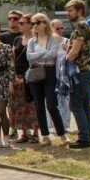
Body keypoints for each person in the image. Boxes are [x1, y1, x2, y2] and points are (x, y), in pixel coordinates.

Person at [26, 13, 69, 146]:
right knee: (39, 107)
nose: (34, 26)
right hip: (35, 72)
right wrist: (43, 54)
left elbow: (53, 53)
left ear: (45, 23)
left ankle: (62, 135)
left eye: (37, 23)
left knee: (51, 105)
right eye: (32, 24)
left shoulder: (53, 37)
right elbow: (29, 57)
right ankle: (45, 136)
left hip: (50, 72)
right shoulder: (31, 40)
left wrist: (37, 56)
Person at [65, 0, 90, 149]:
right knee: (83, 105)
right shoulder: (82, 25)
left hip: (82, 71)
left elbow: (75, 52)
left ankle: (84, 138)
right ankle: (86, 136)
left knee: (75, 105)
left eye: (70, 10)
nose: (67, 13)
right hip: (85, 71)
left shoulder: (81, 25)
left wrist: (64, 60)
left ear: (80, 11)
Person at [11, 14, 40, 143]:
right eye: (19, 23)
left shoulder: (36, 40)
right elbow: (12, 58)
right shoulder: (17, 39)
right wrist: (13, 76)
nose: (19, 25)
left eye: (22, 23)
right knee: (20, 106)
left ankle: (35, 133)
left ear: (30, 24)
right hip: (18, 77)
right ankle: (24, 133)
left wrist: (28, 77)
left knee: (33, 105)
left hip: (32, 76)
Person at [0, 10, 23, 139]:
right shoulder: (3, 37)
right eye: (10, 18)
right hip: (7, 73)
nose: (12, 21)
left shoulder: (24, 35)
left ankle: (26, 129)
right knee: (11, 103)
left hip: (21, 73)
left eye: (15, 18)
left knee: (24, 102)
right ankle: (13, 128)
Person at [51, 19, 71, 129]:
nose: (60, 30)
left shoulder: (67, 41)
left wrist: (67, 49)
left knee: (65, 100)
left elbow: (73, 57)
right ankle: (54, 125)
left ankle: (65, 124)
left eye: (61, 28)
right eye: (57, 28)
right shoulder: (49, 42)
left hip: (64, 76)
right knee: (53, 101)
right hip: (51, 75)